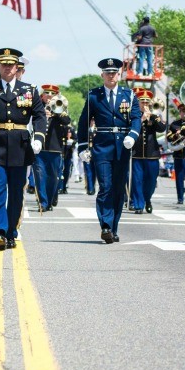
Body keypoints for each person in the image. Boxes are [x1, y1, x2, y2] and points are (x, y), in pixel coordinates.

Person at [0, 48, 46, 250]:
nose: (7, 68)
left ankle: (12, 231)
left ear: (17, 67)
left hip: (20, 147)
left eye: (11, 65)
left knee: (16, 192)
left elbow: (40, 117)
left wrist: (38, 138)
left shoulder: (29, 90)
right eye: (3, 64)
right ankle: (1, 231)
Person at [77, 57, 141, 243]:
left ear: (118, 74)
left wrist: (133, 135)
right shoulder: (94, 96)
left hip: (123, 145)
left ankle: (113, 227)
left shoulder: (128, 95)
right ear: (102, 75)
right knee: (105, 186)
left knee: (118, 189)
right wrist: (83, 146)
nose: (111, 76)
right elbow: (84, 122)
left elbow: (136, 118)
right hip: (102, 146)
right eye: (107, 73)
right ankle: (105, 225)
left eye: (114, 73)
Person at [33, 84, 71, 211]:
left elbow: (67, 121)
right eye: (47, 93)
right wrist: (42, 114)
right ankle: (43, 203)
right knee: (40, 175)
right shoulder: (37, 107)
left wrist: (56, 112)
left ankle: (50, 199)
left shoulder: (61, 108)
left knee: (53, 177)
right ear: (42, 95)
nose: (49, 96)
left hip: (55, 148)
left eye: (52, 94)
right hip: (39, 148)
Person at [130, 88, 166, 214]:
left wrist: (153, 116)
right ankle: (139, 205)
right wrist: (142, 119)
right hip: (137, 154)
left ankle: (147, 199)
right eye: (142, 102)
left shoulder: (154, 116)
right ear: (138, 103)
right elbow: (130, 129)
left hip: (152, 154)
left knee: (151, 180)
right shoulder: (133, 116)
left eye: (147, 102)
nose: (144, 104)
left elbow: (162, 128)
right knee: (137, 180)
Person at [167, 101, 185, 205]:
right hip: (178, 153)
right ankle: (180, 198)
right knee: (179, 177)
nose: (184, 113)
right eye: (182, 111)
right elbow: (168, 137)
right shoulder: (174, 124)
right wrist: (176, 135)